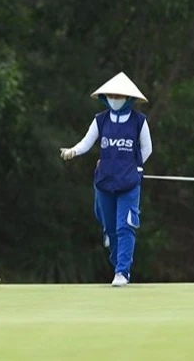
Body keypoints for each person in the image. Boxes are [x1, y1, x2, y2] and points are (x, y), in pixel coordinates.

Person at [60, 72, 152, 287]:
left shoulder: (139, 121)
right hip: (104, 182)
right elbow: (86, 142)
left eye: (119, 95)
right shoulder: (100, 120)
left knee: (125, 226)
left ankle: (122, 272)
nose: (114, 98)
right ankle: (117, 266)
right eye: (111, 95)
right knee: (110, 228)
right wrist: (73, 151)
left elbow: (147, 148)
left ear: (128, 98)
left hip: (129, 182)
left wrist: (136, 166)